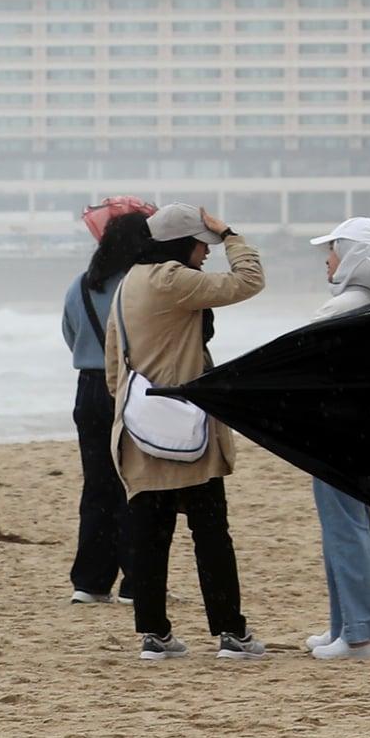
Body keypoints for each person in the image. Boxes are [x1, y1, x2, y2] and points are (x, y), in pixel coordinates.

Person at [104, 203, 267, 662]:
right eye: (203, 243)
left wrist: (132, 410)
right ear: (181, 243)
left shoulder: (128, 284)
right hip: (186, 427)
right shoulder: (172, 280)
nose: (206, 253)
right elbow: (249, 281)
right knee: (211, 533)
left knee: (150, 536)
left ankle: (154, 635)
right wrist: (232, 232)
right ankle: (231, 634)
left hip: (138, 428)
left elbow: (114, 364)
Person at [303, 217, 370, 660]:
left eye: (333, 251)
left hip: (338, 433)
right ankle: (346, 624)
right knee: (347, 526)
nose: (327, 259)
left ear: (353, 257)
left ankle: (361, 633)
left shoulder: (345, 309)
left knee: (344, 529)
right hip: (363, 431)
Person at [61, 207, 150, 606]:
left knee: (97, 485)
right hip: (133, 386)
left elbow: (70, 334)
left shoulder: (80, 285)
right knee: (136, 483)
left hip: (89, 389)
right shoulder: (140, 285)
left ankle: (91, 582)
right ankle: (136, 580)